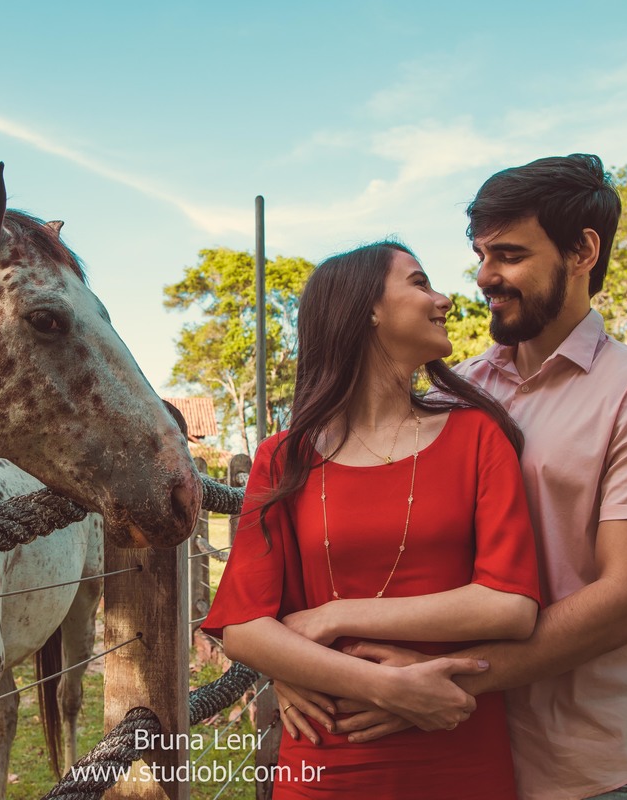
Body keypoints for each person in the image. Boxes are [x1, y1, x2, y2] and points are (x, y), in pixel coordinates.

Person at [277, 154, 627, 800]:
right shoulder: (455, 394)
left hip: (594, 761)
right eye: (480, 255)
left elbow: (625, 602)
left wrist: (439, 681)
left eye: (508, 255)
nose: (484, 278)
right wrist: (302, 664)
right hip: (458, 755)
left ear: (583, 251)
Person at [202, 241, 542, 799]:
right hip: (326, 759)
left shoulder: (478, 436)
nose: (445, 299)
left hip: (455, 750)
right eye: (420, 282)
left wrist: (336, 615)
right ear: (367, 309)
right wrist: (389, 687)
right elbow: (243, 625)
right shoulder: (284, 458)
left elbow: (511, 605)